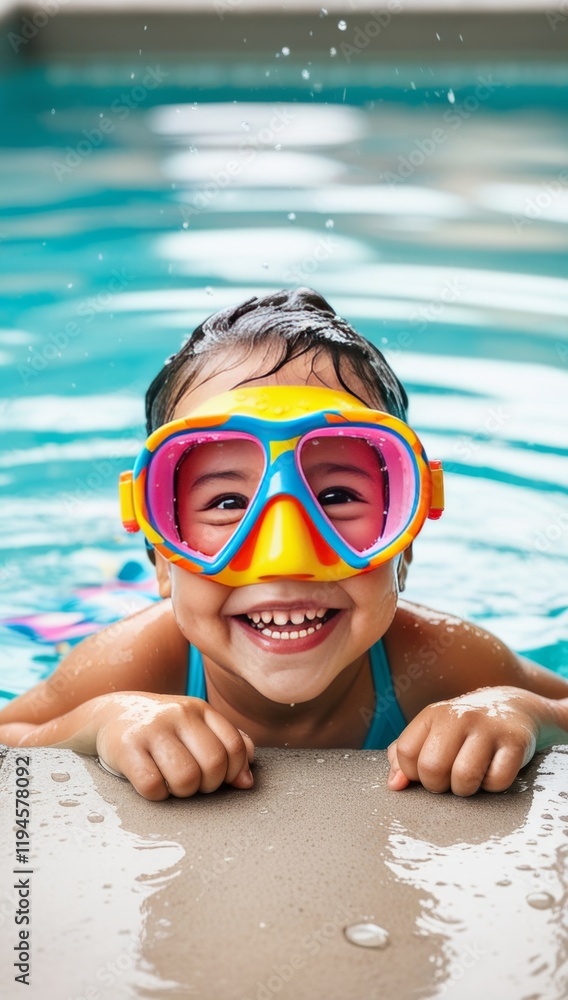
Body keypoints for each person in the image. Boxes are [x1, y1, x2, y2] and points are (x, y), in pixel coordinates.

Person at [1, 288, 567, 801]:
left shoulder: (438, 659)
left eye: (339, 495)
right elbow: (10, 738)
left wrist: (519, 711)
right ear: (162, 555)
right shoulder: (134, 664)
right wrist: (103, 720)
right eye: (227, 504)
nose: (285, 553)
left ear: (406, 541)